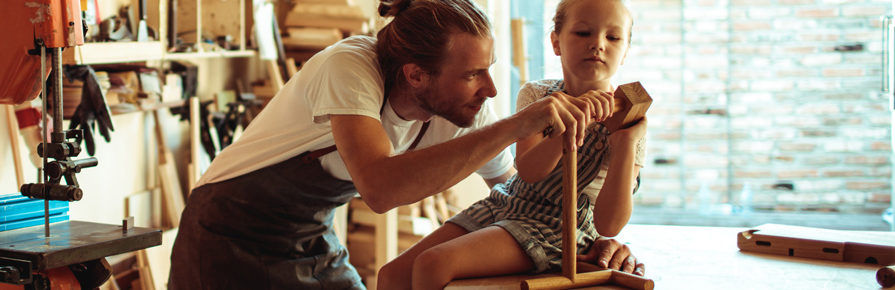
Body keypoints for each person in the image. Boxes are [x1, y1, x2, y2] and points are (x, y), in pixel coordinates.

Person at [167, 0, 639, 288]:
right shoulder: (350, 67)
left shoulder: (467, 107)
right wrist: (518, 124)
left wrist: (599, 242)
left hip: (309, 236)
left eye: (490, 68)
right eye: (474, 73)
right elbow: (380, 188)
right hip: (227, 229)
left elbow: (522, 193)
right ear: (416, 75)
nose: (490, 90)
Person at [375, 0, 648, 289]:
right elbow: (529, 172)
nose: (598, 44)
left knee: (433, 264)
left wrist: (627, 142)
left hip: (559, 228)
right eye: (583, 33)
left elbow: (610, 224)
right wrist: (571, 121)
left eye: (613, 37)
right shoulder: (538, 95)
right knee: (391, 276)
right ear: (556, 42)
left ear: (626, 51)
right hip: (507, 203)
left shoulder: (629, 118)